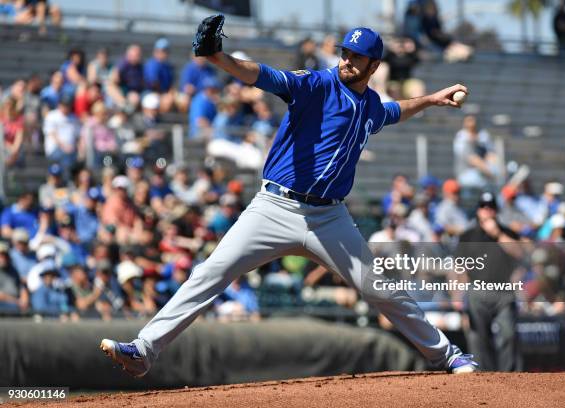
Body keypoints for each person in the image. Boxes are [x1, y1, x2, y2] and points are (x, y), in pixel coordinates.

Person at [100, 22, 477, 377]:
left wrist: (431, 99)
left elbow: (395, 112)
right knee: (211, 272)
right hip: (275, 207)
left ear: (374, 64)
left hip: (330, 219)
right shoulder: (316, 85)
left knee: (380, 288)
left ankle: (447, 356)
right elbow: (261, 75)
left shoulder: (370, 106)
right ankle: (143, 350)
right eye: (345, 52)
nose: (347, 60)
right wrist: (218, 58)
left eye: (356, 56)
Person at [457, 192, 523, 372]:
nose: (487, 211)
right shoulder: (468, 235)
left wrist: (497, 234)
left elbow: (519, 254)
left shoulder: (508, 232)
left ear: (496, 210)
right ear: (478, 210)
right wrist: (459, 298)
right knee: (478, 337)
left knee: (508, 333)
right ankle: (482, 378)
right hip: (477, 291)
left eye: (491, 207)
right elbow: (459, 269)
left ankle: (509, 377)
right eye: (483, 207)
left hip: (503, 291)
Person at [143, 38, 175, 113]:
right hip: (150, 93)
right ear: (155, 51)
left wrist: (170, 94)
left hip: (164, 93)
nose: (164, 53)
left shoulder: (167, 66)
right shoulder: (152, 64)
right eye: (161, 51)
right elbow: (153, 84)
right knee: (163, 102)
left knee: (181, 100)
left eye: (165, 51)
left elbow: (170, 84)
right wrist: (163, 96)